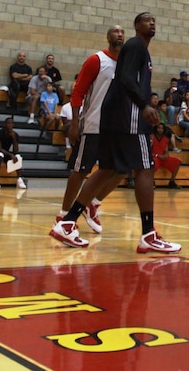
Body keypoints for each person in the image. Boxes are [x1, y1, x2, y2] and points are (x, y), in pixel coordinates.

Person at [51, 13, 181, 253]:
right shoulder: (135, 47)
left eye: (154, 20)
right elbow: (125, 79)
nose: (152, 23)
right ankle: (148, 234)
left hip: (112, 118)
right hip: (127, 116)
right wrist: (143, 105)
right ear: (136, 26)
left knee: (108, 169)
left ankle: (67, 223)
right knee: (144, 168)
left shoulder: (136, 49)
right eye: (146, 20)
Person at [57, 25, 126, 234]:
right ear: (107, 37)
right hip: (93, 125)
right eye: (115, 31)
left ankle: (93, 203)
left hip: (116, 128)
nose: (120, 34)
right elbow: (78, 91)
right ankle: (63, 215)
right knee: (81, 171)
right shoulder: (96, 60)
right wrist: (76, 122)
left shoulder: (125, 65)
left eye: (123, 32)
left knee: (122, 169)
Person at [0, 117, 26, 189]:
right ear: (5, 124)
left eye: (12, 123)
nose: (10, 125)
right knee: (0, 155)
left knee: (18, 156)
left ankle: (19, 179)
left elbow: (16, 151)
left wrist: (14, 139)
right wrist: (10, 155)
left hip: (5, 153)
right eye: (8, 123)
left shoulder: (15, 134)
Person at [151, 122, 182, 189]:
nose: (160, 130)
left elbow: (166, 151)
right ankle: (151, 181)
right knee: (152, 163)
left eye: (162, 128)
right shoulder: (152, 136)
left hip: (162, 157)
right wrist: (157, 155)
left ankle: (172, 182)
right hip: (154, 157)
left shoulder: (165, 139)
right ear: (156, 128)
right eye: (159, 128)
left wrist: (166, 155)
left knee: (177, 161)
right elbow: (148, 149)